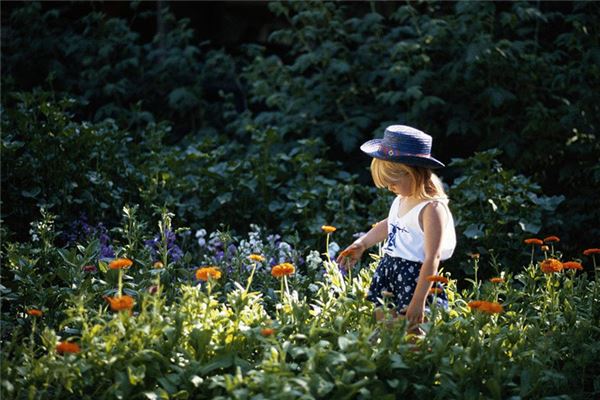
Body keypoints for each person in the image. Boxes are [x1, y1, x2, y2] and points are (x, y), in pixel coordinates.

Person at [336, 125, 456, 333]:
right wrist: (362, 243)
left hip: (415, 277)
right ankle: (388, 361)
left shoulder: (432, 209)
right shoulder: (403, 198)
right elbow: (390, 224)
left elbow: (432, 258)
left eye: (393, 183)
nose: (390, 188)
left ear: (412, 173)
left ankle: (414, 364)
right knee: (386, 326)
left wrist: (419, 300)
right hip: (390, 268)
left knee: (413, 331)